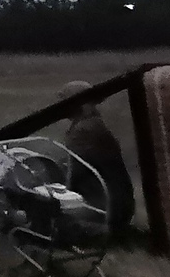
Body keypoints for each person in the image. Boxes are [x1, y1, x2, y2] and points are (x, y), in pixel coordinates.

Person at [53, 80, 136, 242]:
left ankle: (99, 231)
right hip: (116, 206)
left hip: (105, 207)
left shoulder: (83, 130)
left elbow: (72, 173)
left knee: (47, 220)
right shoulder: (92, 124)